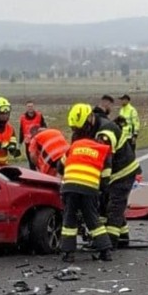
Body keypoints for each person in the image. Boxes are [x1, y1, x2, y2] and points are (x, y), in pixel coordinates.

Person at [61, 103, 113, 263]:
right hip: (90, 188)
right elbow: (106, 176)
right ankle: (105, 251)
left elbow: (60, 165)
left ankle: (68, 253)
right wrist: (103, 191)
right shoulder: (102, 149)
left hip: (70, 187)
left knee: (69, 219)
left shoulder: (75, 146)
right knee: (92, 218)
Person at [93, 106, 139, 248]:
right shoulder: (102, 130)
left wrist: (103, 183)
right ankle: (123, 237)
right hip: (120, 171)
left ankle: (110, 242)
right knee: (112, 205)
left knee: (114, 207)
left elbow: (106, 159)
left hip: (123, 172)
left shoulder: (105, 134)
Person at [18, 101, 46, 169]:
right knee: (31, 161)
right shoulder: (22, 117)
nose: (30, 108)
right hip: (28, 143)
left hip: (38, 142)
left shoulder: (39, 115)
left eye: (31, 106)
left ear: (33, 107)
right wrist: (20, 143)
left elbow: (44, 127)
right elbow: (21, 130)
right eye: (28, 106)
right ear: (26, 108)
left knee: (40, 160)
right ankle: (33, 173)